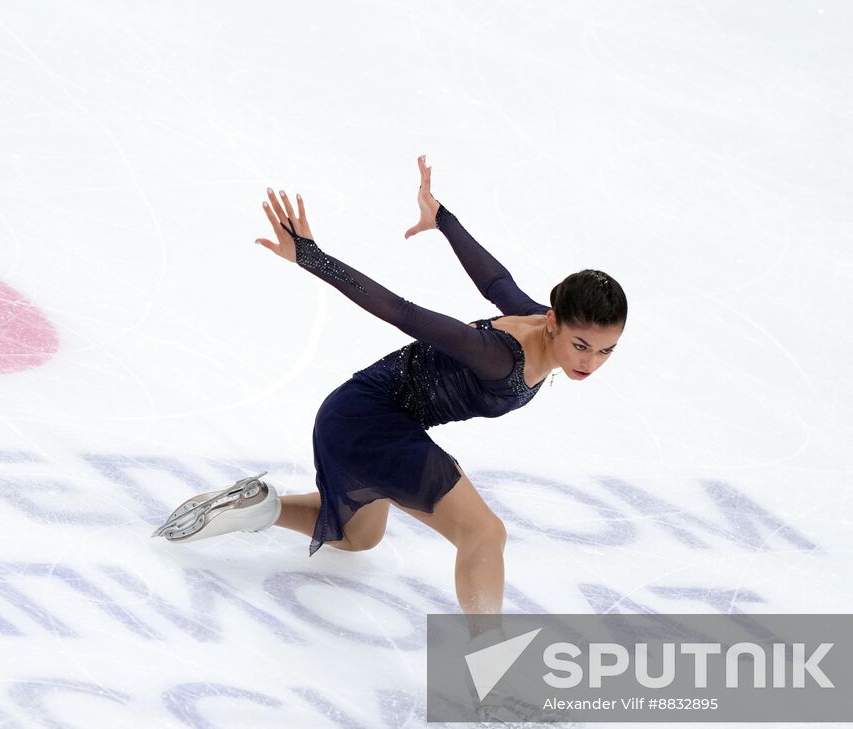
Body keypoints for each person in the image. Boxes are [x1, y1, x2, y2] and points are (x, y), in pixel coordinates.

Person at [153, 156, 627, 616]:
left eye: (605, 351)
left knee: (359, 538)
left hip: (373, 415)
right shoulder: (499, 355)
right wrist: (315, 259)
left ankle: (261, 506)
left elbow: (495, 278)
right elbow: (403, 312)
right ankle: (492, 674)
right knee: (484, 532)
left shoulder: (531, 317)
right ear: (553, 321)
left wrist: (443, 219)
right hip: (369, 419)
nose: (591, 361)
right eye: (582, 345)